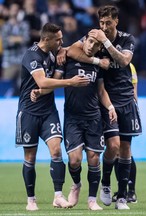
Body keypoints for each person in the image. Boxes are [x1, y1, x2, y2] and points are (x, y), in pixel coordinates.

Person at [67, 5, 142, 210]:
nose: (104, 27)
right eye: (101, 23)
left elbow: (124, 60)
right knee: (112, 147)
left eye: (108, 23)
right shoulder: (94, 36)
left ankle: (123, 197)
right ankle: (106, 183)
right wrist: (96, 60)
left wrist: (106, 42)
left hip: (125, 99)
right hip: (104, 100)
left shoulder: (127, 39)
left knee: (125, 148)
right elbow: (71, 50)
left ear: (116, 21)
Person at [31, 33, 117, 210]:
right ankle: (76, 184)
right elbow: (55, 80)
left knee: (94, 159)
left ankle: (92, 200)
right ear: (84, 41)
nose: (92, 46)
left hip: (93, 118)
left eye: (95, 44)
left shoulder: (98, 64)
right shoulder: (67, 59)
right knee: (75, 160)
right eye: (90, 41)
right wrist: (41, 91)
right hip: (73, 118)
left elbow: (101, 91)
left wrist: (110, 107)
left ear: (100, 48)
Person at [15, 22, 90, 211]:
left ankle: (58, 196)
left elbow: (51, 82)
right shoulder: (31, 55)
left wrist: (41, 92)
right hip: (29, 112)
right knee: (30, 157)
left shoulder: (53, 52)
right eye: (58, 40)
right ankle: (31, 200)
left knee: (56, 151)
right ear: (46, 39)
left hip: (48, 111)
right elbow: (42, 80)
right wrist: (70, 82)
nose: (61, 42)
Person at [112, 63, 138, 204]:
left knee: (125, 150)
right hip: (112, 110)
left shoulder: (129, 65)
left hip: (126, 110)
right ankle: (123, 190)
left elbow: (134, 91)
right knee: (117, 150)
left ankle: (131, 191)